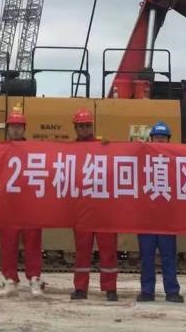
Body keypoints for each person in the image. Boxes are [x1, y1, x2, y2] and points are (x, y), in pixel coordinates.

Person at [70, 108, 119, 302]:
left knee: (108, 251)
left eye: (87, 125)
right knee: (82, 252)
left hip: (104, 210)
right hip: (81, 209)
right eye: (81, 126)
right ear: (75, 128)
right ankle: (80, 288)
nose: (84, 129)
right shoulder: (70, 150)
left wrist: (110, 147)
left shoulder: (103, 145)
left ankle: (110, 288)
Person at [0, 109, 44, 298]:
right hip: (8, 205)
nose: (15, 130)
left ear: (24, 129)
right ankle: (10, 280)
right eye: (12, 126)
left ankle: (35, 280)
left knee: (33, 243)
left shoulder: (33, 149)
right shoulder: (0, 150)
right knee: (8, 244)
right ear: (7, 129)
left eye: (19, 126)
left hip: (30, 204)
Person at [136, 121, 183, 304]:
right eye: (157, 137)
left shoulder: (175, 159)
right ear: (151, 139)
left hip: (167, 219)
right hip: (146, 219)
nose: (160, 140)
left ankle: (172, 291)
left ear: (168, 140)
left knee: (168, 257)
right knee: (147, 257)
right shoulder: (142, 158)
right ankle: (147, 291)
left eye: (163, 137)